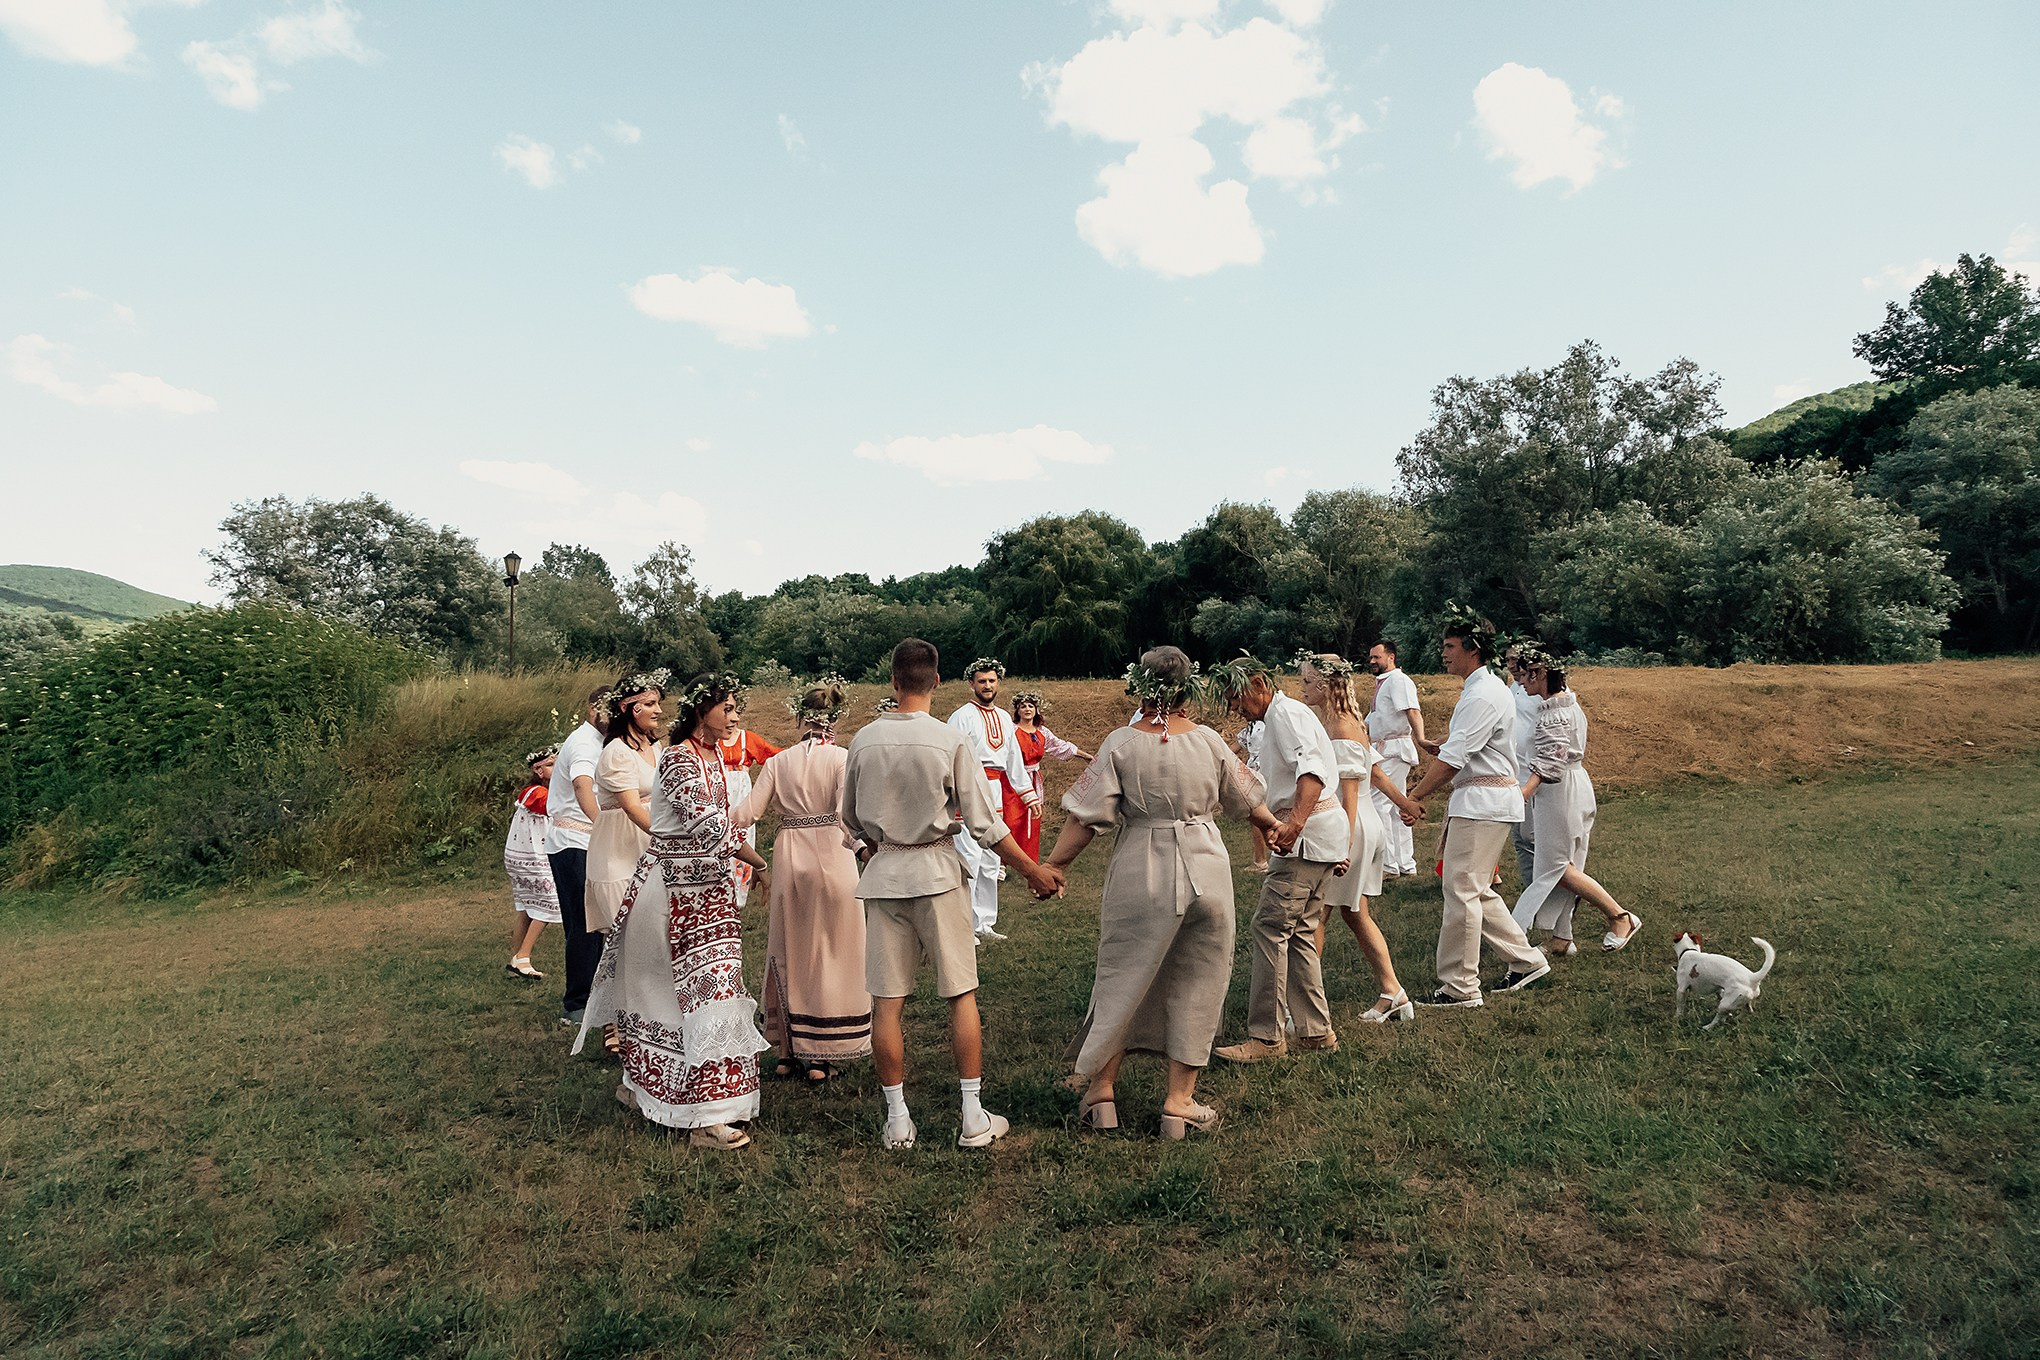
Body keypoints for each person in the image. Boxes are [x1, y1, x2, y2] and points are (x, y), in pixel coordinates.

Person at [1045, 647, 1282, 1137]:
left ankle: (1101, 1094)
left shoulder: (1120, 744)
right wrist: (1277, 826)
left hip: (1141, 866)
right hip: (1206, 865)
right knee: (1202, 977)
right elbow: (1248, 799)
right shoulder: (1212, 742)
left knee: (1123, 975)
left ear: (1140, 685)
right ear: (1188, 688)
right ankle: (1179, 1102)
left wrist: (1053, 866)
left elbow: (1085, 818)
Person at [840, 638, 1064, 1151]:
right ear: (937, 682)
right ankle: (971, 1115)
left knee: (887, 1002)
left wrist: (875, 846)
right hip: (937, 872)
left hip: (885, 874)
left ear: (893, 681)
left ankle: (898, 1119)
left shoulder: (863, 741)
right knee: (961, 991)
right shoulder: (948, 740)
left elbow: (849, 819)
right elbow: (985, 824)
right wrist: (1032, 869)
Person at [576, 672, 771, 1150]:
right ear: (702, 709)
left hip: (707, 893)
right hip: (672, 895)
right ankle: (698, 1115)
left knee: (709, 994)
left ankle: (682, 1097)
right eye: (727, 707)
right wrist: (765, 863)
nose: (735, 717)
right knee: (674, 997)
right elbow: (709, 828)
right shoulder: (681, 758)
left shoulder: (709, 756)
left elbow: (723, 822)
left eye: (736, 707)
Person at [1402, 607, 1550, 1007]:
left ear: (1473, 649)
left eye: (1450, 646)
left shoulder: (1483, 692)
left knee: (1462, 890)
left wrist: (1415, 795)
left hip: (1484, 802)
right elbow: (1462, 749)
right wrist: (1446, 747)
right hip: (1483, 800)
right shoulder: (1481, 689)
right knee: (1472, 887)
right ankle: (1526, 961)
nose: (1443, 652)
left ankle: (1461, 986)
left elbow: (1456, 759)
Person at [732, 675, 873, 1083]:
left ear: (800, 718)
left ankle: (787, 1051)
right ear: (835, 719)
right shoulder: (843, 758)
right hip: (833, 853)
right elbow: (849, 816)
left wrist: (707, 830)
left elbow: (747, 813)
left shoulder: (778, 762)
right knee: (832, 950)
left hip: (790, 855)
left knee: (788, 945)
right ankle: (823, 1053)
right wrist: (864, 850)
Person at [1211, 656, 1351, 1063]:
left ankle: (1267, 1037)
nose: (1235, 707)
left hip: (1306, 838)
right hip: (1322, 834)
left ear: (1258, 683)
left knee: (1270, 927)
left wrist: (1295, 825)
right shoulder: (1282, 716)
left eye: (1236, 697)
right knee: (1301, 930)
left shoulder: (1286, 715)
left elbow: (1311, 771)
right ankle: (1314, 1030)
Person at [1297, 652, 1427, 1024]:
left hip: (1351, 828)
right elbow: (1379, 775)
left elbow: (1350, 793)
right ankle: (1393, 992)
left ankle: (1303, 1008)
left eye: (1306, 682)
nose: (1302, 688)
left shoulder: (1340, 726)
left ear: (1324, 686)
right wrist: (1407, 803)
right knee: (1355, 914)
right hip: (1366, 826)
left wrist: (1342, 845)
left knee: (1314, 916)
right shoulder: (1349, 720)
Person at [1508, 645, 1642, 955]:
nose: (1519, 680)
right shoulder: (1565, 703)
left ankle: (1619, 916)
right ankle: (1561, 938)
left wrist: (1522, 794)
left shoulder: (1555, 711)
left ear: (1540, 673)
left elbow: (1549, 763)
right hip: (1572, 783)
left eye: (1524, 673)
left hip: (1559, 790)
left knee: (1555, 866)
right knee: (1567, 864)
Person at [946, 658, 1040, 943]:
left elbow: (1014, 760)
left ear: (998, 683)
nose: (987, 686)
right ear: (971, 684)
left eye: (991, 681)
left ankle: (984, 922)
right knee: (969, 856)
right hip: (969, 787)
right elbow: (951, 756)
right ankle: (963, 924)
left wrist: (1028, 795)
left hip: (996, 789)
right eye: (982, 681)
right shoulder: (961, 716)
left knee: (990, 857)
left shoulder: (1003, 718)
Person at [544, 687, 610, 1027]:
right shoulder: (583, 743)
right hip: (573, 840)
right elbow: (583, 786)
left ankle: (597, 994)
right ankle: (577, 1001)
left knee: (596, 921)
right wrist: (603, 826)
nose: (608, 716)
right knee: (584, 922)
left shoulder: (604, 743)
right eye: (603, 709)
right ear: (590, 709)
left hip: (588, 841)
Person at [585, 670, 668, 934]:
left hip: (648, 848)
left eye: (658, 703)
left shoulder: (656, 748)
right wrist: (667, 838)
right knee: (628, 935)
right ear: (628, 707)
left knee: (655, 935)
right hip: (620, 851)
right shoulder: (617, 752)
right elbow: (632, 808)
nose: (659, 711)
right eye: (651, 704)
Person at [1365, 640, 1426, 878]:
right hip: (1384, 748)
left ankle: (1389, 864)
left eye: (1376, 657)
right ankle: (1404, 863)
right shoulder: (1383, 684)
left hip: (1392, 748)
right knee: (1396, 806)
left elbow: (1412, 711)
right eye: (1370, 657)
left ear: (1391, 657)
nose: (1372, 661)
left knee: (1379, 803)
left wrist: (1421, 739)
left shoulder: (1399, 681)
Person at [1009, 691, 1093, 861]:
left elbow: (1060, 746)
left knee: (1032, 817)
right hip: (1013, 779)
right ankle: (1004, 860)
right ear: (1017, 711)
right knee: (1012, 817)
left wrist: (1086, 756)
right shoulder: (1011, 731)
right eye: (1023, 706)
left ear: (1036, 710)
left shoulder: (1042, 732)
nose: (1027, 709)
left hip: (1033, 778)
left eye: (1030, 706)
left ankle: (1028, 857)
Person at [503, 745, 560, 980]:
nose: (555, 768)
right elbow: (551, 806)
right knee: (550, 904)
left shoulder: (542, 791)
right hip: (531, 857)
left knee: (528, 908)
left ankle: (516, 959)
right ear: (538, 770)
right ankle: (524, 956)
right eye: (550, 765)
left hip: (528, 855)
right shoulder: (535, 793)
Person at [717, 712, 781, 908]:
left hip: (741, 799)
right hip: (718, 796)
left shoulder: (747, 739)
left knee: (741, 841)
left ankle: (737, 897)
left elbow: (778, 757)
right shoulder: (710, 740)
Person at [1503, 645, 1542, 888]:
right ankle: (1531, 889)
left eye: (1516, 659)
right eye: (1508, 659)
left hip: (1535, 774)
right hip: (1514, 772)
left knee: (1532, 838)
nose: (1511, 664)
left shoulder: (1538, 692)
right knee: (1520, 838)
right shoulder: (1512, 690)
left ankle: (1549, 890)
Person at [1236, 718, 1271, 872]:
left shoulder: (1267, 722)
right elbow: (1238, 744)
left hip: (1263, 772)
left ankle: (1261, 861)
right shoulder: (1252, 725)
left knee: (1257, 814)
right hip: (1255, 773)